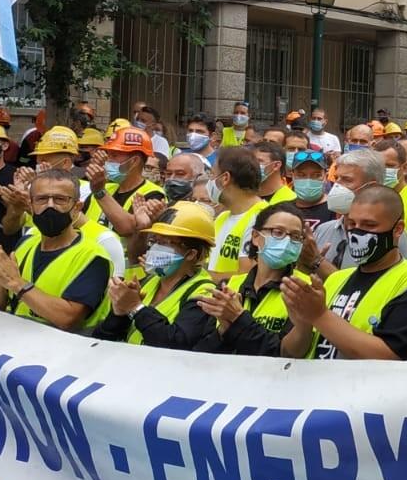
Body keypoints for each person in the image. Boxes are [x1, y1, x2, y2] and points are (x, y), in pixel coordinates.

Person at [282, 184, 407, 361]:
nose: (356, 232)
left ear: (398, 229)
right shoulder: (335, 279)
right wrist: (304, 325)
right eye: (351, 224)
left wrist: (320, 316)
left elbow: (391, 358)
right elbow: (289, 354)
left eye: (369, 225)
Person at [0, 172, 111, 329]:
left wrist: (17, 283)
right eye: (41, 199)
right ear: (31, 206)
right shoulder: (26, 244)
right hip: (17, 345)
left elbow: (68, 318)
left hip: (65, 350)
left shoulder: (93, 256)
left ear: (77, 207)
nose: (50, 206)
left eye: (60, 199)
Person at [97, 203, 219, 350]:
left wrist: (136, 307)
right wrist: (119, 312)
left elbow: (176, 343)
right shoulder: (149, 282)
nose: (155, 248)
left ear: (191, 254)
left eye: (164, 243)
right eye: (154, 241)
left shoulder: (204, 294)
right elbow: (103, 337)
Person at [196, 204, 313, 356]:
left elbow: (285, 355)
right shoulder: (229, 285)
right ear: (256, 237)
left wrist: (238, 320)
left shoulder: (304, 289)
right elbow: (201, 352)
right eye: (278, 232)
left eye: (296, 236)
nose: (287, 241)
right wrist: (223, 331)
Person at [313, 148, 407, 270]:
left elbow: (375, 283)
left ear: (371, 186)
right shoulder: (323, 230)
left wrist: (319, 264)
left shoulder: (389, 235)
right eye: (337, 178)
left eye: (347, 180)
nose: (337, 185)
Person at [84, 126, 166, 236]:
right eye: (108, 155)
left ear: (134, 161)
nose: (108, 160)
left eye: (114, 155)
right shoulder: (106, 187)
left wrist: (100, 192)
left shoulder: (153, 194)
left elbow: (129, 228)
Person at [207, 145, 267, 281]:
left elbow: (247, 274)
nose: (209, 182)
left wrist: (201, 280)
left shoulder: (261, 218)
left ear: (225, 178)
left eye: (212, 174)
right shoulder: (222, 217)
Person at [287, 148, 333, 231]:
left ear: (325, 177)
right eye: (301, 175)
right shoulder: (283, 209)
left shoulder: (335, 209)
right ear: (293, 176)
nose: (308, 180)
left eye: (316, 175)